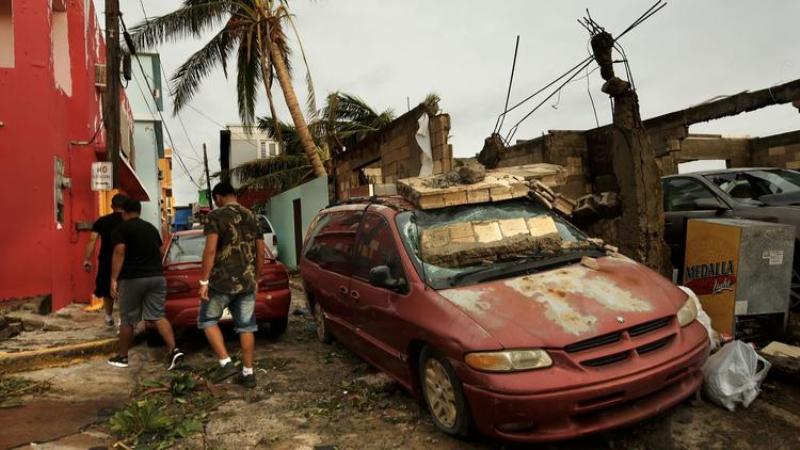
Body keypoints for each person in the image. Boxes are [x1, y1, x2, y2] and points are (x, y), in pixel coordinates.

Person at [198, 181, 265, 388]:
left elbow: (210, 251)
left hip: (221, 282)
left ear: (218, 197)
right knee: (246, 326)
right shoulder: (253, 216)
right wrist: (257, 278)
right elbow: (260, 251)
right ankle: (248, 373)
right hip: (247, 281)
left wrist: (204, 281)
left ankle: (226, 362)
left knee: (207, 320)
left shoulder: (215, 216)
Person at [107, 198, 184, 370]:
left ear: (123, 212)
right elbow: (161, 251)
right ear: (139, 211)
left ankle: (123, 357)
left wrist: (113, 279)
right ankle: (174, 349)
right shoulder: (151, 228)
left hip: (132, 278)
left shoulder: (121, 229)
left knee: (127, 319)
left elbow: (119, 252)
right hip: (156, 277)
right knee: (157, 315)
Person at [82, 193, 126, 324]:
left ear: (112, 206)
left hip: (106, 259)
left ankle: (108, 316)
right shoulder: (128, 221)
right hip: (125, 258)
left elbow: (92, 240)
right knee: (123, 286)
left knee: (107, 288)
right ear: (125, 206)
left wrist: (87, 259)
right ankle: (123, 317)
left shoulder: (101, 221)